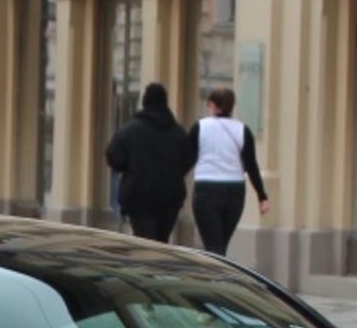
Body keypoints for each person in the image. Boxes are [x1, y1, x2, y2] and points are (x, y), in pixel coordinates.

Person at [104, 81, 198, 242]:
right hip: (169, 196)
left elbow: (113, 155)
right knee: (162, 241)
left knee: (144, 241)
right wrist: (174, 172)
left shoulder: (130, 129)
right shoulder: (178, 132)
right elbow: (188, 158)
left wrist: (130, 168)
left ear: (144, 102)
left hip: (138, 195)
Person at [189, 86, 269, 255]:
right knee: (221, 243)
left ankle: (215, 277)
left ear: (211, 104)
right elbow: (251, 165)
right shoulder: (243, 130)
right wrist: (262, 196)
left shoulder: (200, 127)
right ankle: (221, 275)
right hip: (234, 191)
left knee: (213, 243)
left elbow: (186, 159)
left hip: (206, 188)